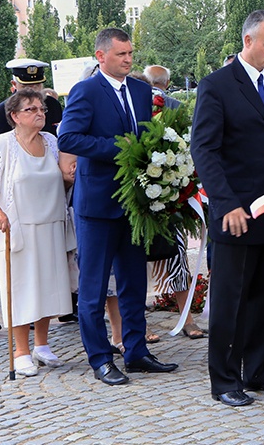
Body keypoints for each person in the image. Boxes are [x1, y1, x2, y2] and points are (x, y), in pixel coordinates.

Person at [190, 9, 264, 407]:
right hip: (236, 215)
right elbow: (204, 151)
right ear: (248, 41)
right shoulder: (217, 86)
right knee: (231, 301)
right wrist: (226, 204)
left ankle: (258, 372)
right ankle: (225, 381)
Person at [58, 27, 179, 386]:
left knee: (132, 283)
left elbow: (147, 135)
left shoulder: (142, 90)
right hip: (96, 204)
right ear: (101, 56)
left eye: (130, 53)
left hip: (135, 204)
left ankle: (137, 351)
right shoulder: (85, 91)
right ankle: (99, 358)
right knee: (93, 287)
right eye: (122, 54)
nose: (128, 60)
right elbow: (69, 137)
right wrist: (121, 149)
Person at [0, 89, 74, 376]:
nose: (39, 114)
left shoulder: (51, 141)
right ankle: (21, 350)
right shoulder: (2, 144)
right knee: (22, 289)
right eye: (31, 110)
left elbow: (64, 181)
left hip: (50, 224)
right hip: (17, 227)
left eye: (42, 110)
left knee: (49, 286)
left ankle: (42, 345)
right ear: (14, 116)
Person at [142, 64, 206, 339]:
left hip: (169, 192)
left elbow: (185, 144)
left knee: (177, 254)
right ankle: (139, 325)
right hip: (138, 194)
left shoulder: (175, 107)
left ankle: (186, 318)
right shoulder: (130, 107)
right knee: (134, 263)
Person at [0, 59, 63, 149]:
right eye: (26, 87)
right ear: (14, 84)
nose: (33, 91)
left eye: (37, 85)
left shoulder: (53, 105)